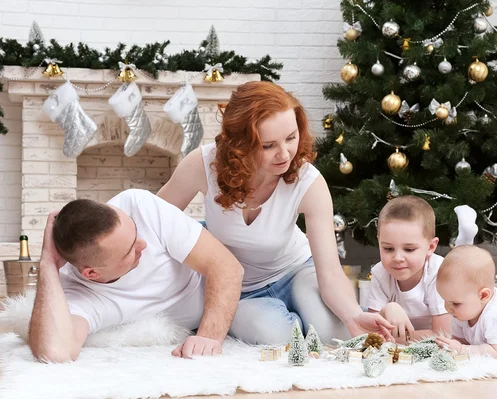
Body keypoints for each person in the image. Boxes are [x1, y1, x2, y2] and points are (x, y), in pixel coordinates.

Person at [157, 81, 394, 345]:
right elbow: (152, 219)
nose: (285, 154)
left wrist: (352, 316)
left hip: (297, 271)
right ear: (240, 145)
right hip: (241, 291)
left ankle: (313, 318)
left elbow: (329, 272)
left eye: (291, 138)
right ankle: (293, 323)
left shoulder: (308, 182)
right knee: (280, 338)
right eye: (268, 145)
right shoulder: (202, 166)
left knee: (332, 336)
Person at [28, 189, 244, 363]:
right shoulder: (78, 295)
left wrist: (207, 338)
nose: (143, 244)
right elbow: (56, 352)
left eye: (136, 232)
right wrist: (47, 263)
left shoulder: (139, 206)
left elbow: (228, 268)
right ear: (92, 273)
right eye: (130, 249)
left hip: (230, 280)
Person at [365, 196, 452, 344]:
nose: (398, 257)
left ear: (431, 247)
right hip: (408, 341)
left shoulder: (437, 272)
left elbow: (443, 335)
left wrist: (398, 338)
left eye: (409, 249)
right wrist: (389, 308)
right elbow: (373, 331)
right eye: (388, 248)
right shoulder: (380, 273)